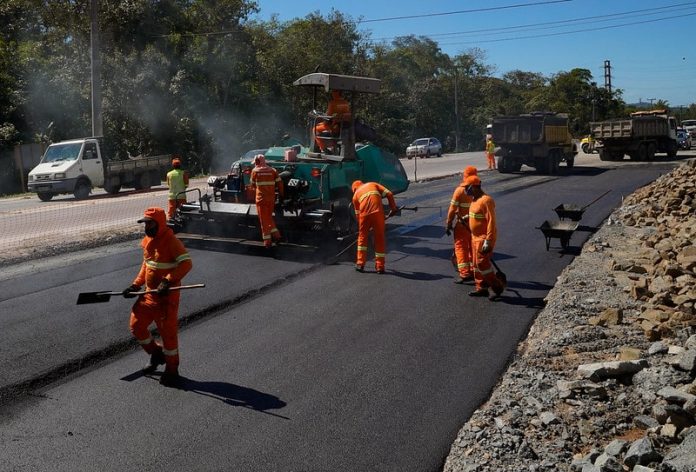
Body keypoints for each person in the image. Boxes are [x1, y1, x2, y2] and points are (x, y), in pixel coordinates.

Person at [122, 207, 192, 386]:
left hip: (166, 299)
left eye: (150, 223)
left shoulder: (171, 242)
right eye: (145, 224)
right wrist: (135, 285)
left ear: (159, 223)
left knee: (168, 335)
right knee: (136, 326)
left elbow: (186, 264)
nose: (146, 227)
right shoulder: (148, 241)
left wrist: (168, 281)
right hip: (148, 295)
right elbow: (147, 266)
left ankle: (172, 370)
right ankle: (155, 353)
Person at [464, 175, 505, 300]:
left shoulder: (486, 200)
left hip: (484, 238)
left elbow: (491, 222)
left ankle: (497, 288)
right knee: (476, 265)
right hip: (474, 237)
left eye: (467, 187)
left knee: (483, 264)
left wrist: (488, 240)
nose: (466, 190)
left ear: (475, 187)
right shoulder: (474, 200)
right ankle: (481, 288)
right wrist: (468, 218)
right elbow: (476, 215)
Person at [351, 180, 398, 274]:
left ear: (354, 189)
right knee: (379, 238)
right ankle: (380, 267)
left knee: (362, 238)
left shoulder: (355, 196)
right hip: (377, 213)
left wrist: (365, 227)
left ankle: (360, 264)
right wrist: (393, 209)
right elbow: (389, 194)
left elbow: (358, 216)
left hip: (364, 216)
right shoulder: (373, 184)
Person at [446, 165, 478, 284]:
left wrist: (448, 224)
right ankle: (475, 271)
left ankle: (465, 273)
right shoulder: (478, 189)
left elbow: (452, 210)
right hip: (475, 225)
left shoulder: (460, 191)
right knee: (473, 248)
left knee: (460, 247)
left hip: (462, 225)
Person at [249, 154, 284, 247]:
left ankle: (267, 242)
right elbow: (280, 183)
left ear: (257, 161)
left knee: (263, 221)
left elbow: (252, 186)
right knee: (268, 218)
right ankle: (277, 236)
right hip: (271, 199)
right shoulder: (273, 170)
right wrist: (281, 194)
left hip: (261, 200)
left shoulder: (255, 171)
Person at [166, 156, 189, 221]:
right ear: (180, 165)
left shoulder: (169, 174)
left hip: (172, 196)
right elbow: (186, 184)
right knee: (183, 212)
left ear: (173, 165)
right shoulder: (184, 173)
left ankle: (171, 223)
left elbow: (168, 184)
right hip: (181, 195)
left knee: (171, 214)